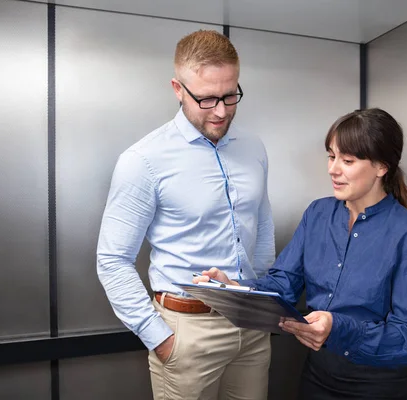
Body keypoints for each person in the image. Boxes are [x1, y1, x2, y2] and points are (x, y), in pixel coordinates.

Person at [195, 108, 407, 400]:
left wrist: (338, 328)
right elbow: (283, 284)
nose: (333, 169)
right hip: (317, 378)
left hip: (378, 387)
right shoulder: (318, 214)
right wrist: (235, 288)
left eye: (348, 161)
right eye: (331, 156)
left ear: (381, 167)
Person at [97, 30, 275, 400]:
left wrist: (260, 301)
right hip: (187, 332)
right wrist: (160, 339)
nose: (222, 111)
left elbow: (261, 227)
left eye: (230, 95)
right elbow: (113, 260)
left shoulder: (254, 148)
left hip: (252, 328)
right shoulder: (143, 161)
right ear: (178, 89)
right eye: (207, 99)